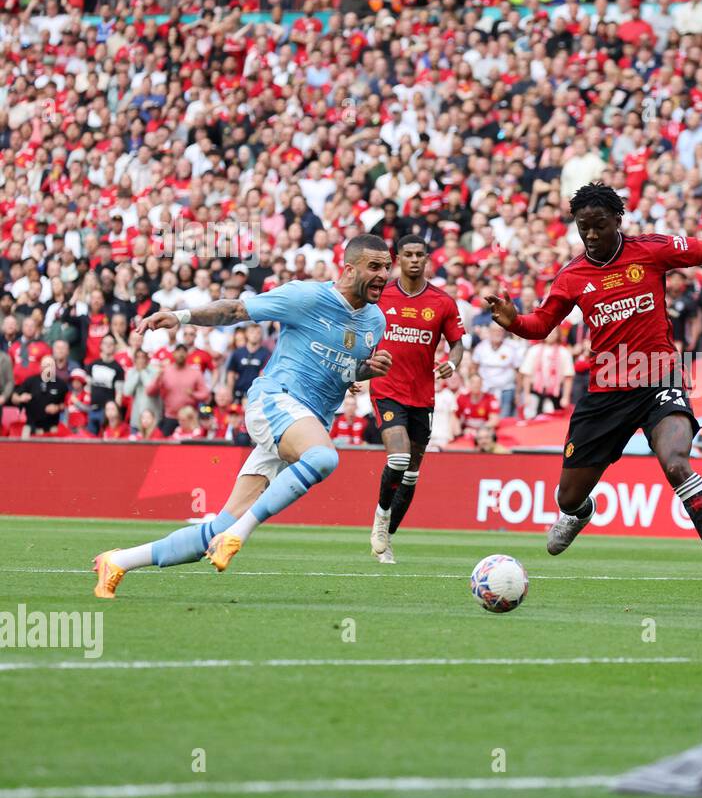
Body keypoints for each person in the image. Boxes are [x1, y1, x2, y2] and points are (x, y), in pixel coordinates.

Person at [91, 236, 393, 599]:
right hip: (274, 402)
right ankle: (239, 536)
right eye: (375, 267)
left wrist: (365, 370)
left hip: (302, 424)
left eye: (386, 267)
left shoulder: (375, 321)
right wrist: (180, 316)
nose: (384, 275)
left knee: (218, 526)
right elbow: (236, 311)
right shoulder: (307, 297)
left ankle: (119, 560)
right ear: (349, 268)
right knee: (324, 457)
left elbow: (345, 369)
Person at [484, 183, 702, 558]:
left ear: (618, 220)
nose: (592, 235)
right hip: (606, 392)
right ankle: (580, 514)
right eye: (584, 228)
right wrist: (514, 321)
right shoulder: (572, 276)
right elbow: (540, 326)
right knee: (568, 496)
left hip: (658, 378)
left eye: (600, 225)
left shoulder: (650, 250)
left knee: (676, 465)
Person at [368, 235, 465, 564]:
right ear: (398, 258)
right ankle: (380, 520)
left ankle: (389, 537)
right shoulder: (381, 296)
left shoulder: (442, 302)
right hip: (386, 390)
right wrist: (355, 368)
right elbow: (356, 328)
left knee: (411, 475)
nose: (413, 260)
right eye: (407, 254)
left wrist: (453, 362)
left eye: (419, 255)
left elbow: (458, 343)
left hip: (422, 396)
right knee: (397, 460)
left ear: (427, 259)